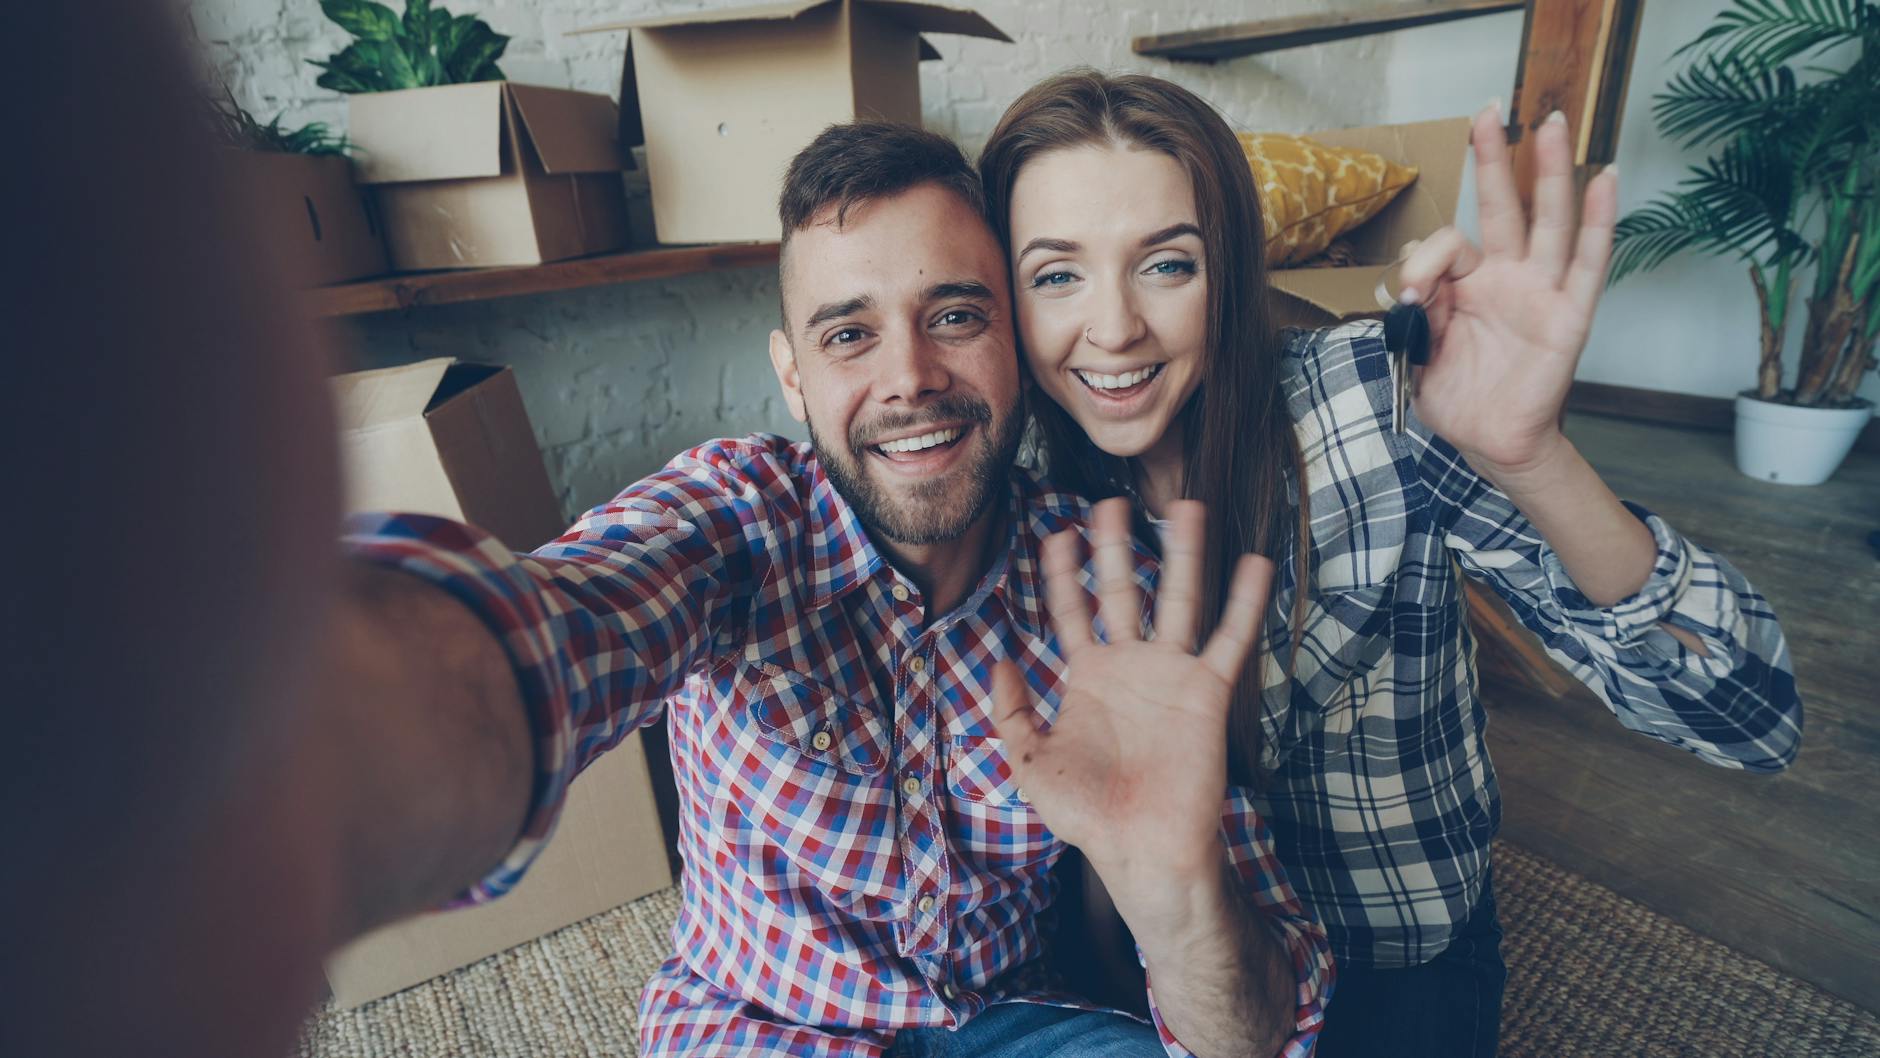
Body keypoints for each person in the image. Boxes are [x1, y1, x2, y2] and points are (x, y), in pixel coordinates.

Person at [335, 122, 1332, 1058]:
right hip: (758, 1023)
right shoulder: (732, 517)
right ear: (793, 377)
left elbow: (1247, 1033)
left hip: (1010, 1017)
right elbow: (566, 620)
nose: (909, 375)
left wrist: (1176, 884)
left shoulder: (1107, 593)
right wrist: (384, 699)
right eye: (848, 334)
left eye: (952, 315)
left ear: (1017, 350)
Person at [977, 71, 1802, 1057]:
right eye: (1055, 274)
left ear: (1229, 271)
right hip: (1166, 956)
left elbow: (1749, 718)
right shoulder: (1023, 501)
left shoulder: (1374, 406)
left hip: (1388, 954)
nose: (1112, 328)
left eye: (1165, 264)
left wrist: (1531, 459)